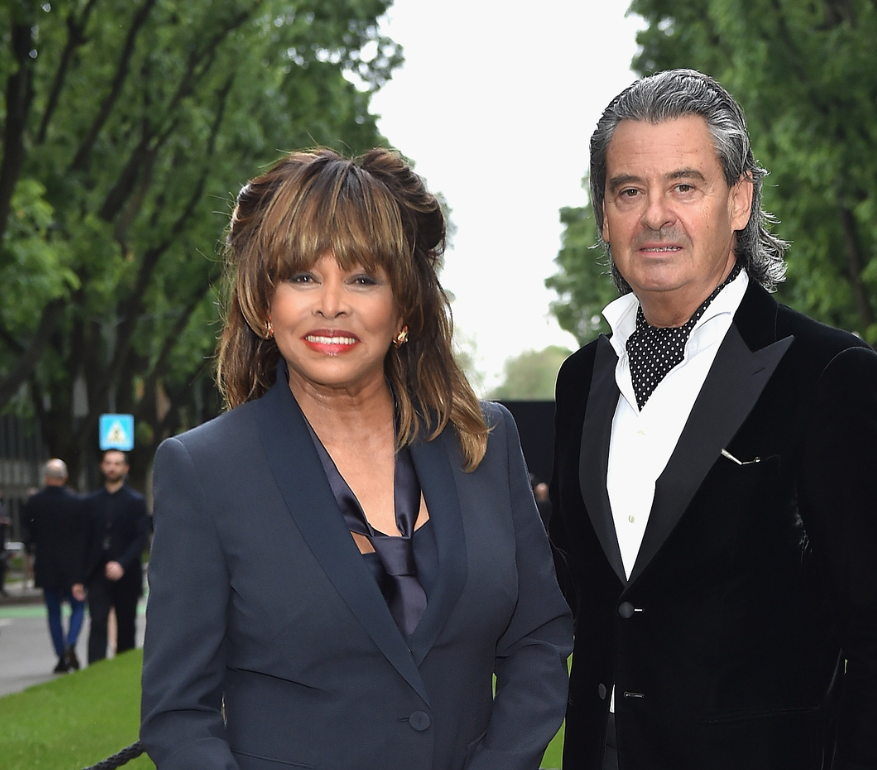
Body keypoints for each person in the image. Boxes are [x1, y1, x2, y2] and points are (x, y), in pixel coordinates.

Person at [140, 147, 573, 770]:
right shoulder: (203, 471)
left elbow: (538, 638)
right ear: (265, 303)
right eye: (302, 276)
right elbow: (179, 716)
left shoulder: (484, 441)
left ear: (403, 307)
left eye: (363, 278)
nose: (331, 304)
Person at [548, 70, 877, 770]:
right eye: (630, 190)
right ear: (604, 215)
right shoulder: (581, 381)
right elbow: (583, 590)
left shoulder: (829, 375)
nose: (655, 215)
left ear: (740, 199)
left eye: (684, 186)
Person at [81, 449, 149, 663]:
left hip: (127, 572)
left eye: (118, 463)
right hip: (97, 572)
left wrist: (122, 563)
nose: (112, 467)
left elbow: (140, 537)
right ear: (102, 466)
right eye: (109, 463)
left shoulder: (136, 502)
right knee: (97, 621)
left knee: (126, 623)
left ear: (125, 468)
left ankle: (124, 666)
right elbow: (84, 539)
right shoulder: (91, 502)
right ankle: (95, 670)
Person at [23, 459, 88, 672]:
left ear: (46, 477)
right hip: (72, 565)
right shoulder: (76, 503)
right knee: (78, 606)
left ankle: (61, 655)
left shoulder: (34, 503)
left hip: (46, 564)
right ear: (65, 477)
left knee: (53, 612)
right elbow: (83, 538)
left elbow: (28, 536)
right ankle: (71, 642)